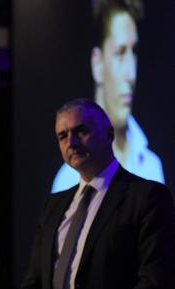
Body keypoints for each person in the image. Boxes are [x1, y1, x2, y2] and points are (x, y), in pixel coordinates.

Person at [18, 98, 175, 289]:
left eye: (82, 130)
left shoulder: (147, 196)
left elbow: (154, 283)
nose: (72, 142)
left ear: (109, 134)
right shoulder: (54, 205)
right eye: (63, 135)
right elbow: (33, 283)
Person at [52, 0, 164, 193]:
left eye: (134, 52)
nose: (132, 74)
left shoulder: (151, 167)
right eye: (120, 53)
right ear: (98, 63)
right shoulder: (69, 179)